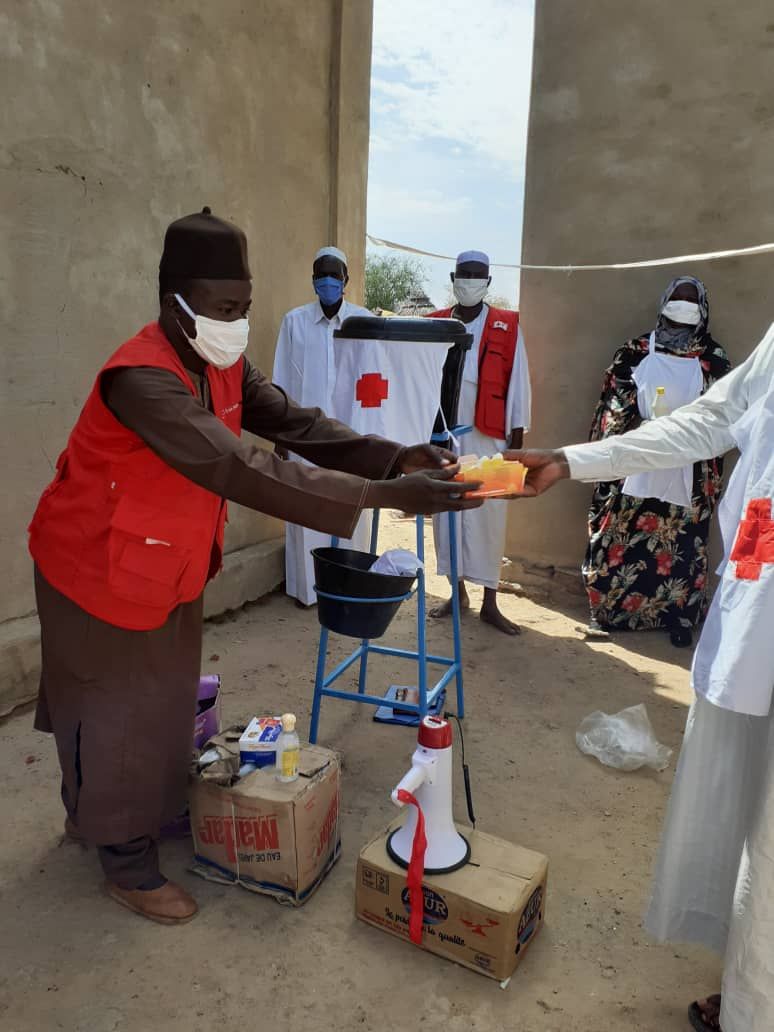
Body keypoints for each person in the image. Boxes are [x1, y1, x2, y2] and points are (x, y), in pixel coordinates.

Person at [28, 208, 482, 926]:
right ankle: (123, 860)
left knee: (163, 704)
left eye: (243, 306)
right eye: (222, 308)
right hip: (95, 569)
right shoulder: (140, 380)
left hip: (159, 565)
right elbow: (242, 466)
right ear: (173, 301)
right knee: (114, 713)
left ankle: (125, 814)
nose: (236, 322)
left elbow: (296, 424)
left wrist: (393, 455)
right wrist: (386, 497)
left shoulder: (220, 361)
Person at [510, 320, 774, 1032]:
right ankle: (756, 996)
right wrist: (574, 458)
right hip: (758, 600)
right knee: (757, 812)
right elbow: (715, 415)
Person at [583, 276, 730, 647]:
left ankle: (679, 616)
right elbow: (614, 401)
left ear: (703, 308)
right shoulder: (634, 350)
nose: (683, 304)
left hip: (688, 456)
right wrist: (611, 445)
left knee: (681, 539)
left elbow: (725, 411)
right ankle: (609, 613)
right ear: (664, 301)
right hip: (640, 449)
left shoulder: (713, 357)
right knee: (618, 529)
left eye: (691, 299)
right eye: (677, 297)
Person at [427, 250, 531, 635]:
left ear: (488, 282)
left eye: (478, 275)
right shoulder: (436, 323)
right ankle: (457, 594)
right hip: (444, 436)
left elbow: (518, 382)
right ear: (454, 278)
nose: (470, 280)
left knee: (489, 518)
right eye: (464, 274)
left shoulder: (506, 325)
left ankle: (490, 601)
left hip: (490, 437)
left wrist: (515, 443)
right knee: (447, 515)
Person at [272, 246, 373, 606]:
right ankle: (307, 591)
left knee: (351, 507)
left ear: (345, 279)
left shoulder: (364, 323)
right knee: (306, 506)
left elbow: (373, 382)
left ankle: (349, 583)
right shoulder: (294, 322)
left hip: (350, 434)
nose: (328, 281)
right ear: (313, 279)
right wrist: (279, 432)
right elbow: (281, 380)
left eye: (334, 274)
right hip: (305, 435)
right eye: (321, 274)